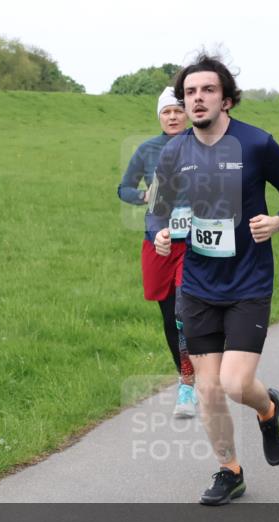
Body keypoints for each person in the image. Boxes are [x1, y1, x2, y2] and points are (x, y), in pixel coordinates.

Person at [149, 54, 279, 505]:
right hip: (198, 284)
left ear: (227, 100)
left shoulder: (257, 145)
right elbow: (156, 209)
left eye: (207, 91)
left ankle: (269, 408)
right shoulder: (174, 150)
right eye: (190, 93)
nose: (197, 99)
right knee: (208, 387)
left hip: (248, 281)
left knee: (237, 384)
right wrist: (159, 233)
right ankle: (229, 471)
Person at [118, 87, 197, 417]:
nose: (174, 116)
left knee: (183, 311)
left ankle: (191, 384)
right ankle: (186, 376)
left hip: (193, 242)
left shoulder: (202, 145)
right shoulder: (147, 149)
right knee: (168, 315)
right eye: (167, 112)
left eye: (179, 110)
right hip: (157, 240)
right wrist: (141, 196)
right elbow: (124, 188)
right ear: (159, 116)